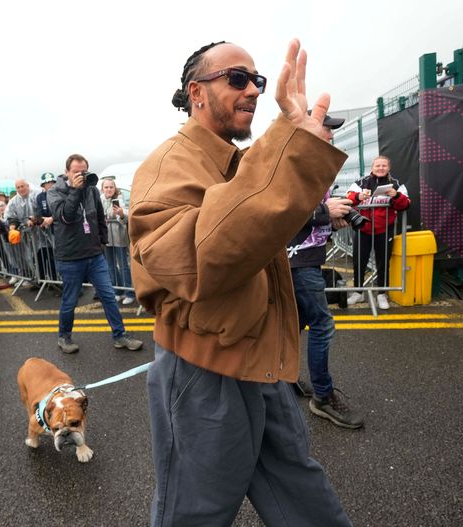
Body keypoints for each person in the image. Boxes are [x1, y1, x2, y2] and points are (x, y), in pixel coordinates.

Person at [129, 40, 352, 525]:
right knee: (194, 511)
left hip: (256, 360)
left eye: (257, 80)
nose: (252, 89)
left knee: (301, 492)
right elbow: (204, 258)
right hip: (202, 371)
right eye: (236, 78)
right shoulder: (168, 165)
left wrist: (290, 141)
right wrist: (290, 148)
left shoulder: (229, 159)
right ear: (197, 93)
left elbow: (250, 223)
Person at [287, 113, 364, 429]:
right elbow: (280, 210)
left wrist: (330, 220)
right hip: (298, 260)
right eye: (326, 128)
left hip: (306, 257)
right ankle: (322, 397)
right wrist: (324, 212)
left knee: (297, 324)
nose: (332, 134)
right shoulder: (294, 165)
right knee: (321, 324)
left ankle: (282, 379)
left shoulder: (316, 164)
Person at [46, 154, 143, 354]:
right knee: (70, 301)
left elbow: (99, 217)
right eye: (76, 172)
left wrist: (102, 242)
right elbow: (66, 216)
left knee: (108, 296)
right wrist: (74, 190)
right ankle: (64, 337)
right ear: (67, 173)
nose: (81, 175)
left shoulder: (91, 190)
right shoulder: (55, 192)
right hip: (70, 257)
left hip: (95, 255)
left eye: (84, 171)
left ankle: (120, 335)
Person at [345, 155, 411, 310]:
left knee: (383, 262)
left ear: (389, 168)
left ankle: (382, 293)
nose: (380, 168)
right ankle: (358, 292)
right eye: (377, 166)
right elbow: (348, 198)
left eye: (384, 166)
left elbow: (406, 204)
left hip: (384, 230)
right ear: (372, 168)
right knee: (359, 261)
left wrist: (396, 196)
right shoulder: (361, 183)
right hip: (363, 228)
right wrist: (359, 196)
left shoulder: (396, 184)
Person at [99, 177, 136, 305]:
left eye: (111, 187)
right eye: (106, 187)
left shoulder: (120, 200)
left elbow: (126, 217)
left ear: (115, 188)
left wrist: (121, 214)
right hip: (106, 239)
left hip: (119, 238)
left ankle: (130, 292)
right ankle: (118, 291)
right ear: (102, 189)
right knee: (110, 266)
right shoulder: (100, 200)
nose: (109, 189)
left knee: (124, 266)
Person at [34, 172, 57, 281]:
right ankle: (56, 281)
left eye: (52, 182)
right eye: (47, 183)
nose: (50, 184)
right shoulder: (40, 197)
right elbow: (39, 212)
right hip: (48, 232)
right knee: (52, 257)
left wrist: (51, 218)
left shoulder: (60, 193)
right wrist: (39, 219)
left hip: (61, 229)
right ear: (43, 185)